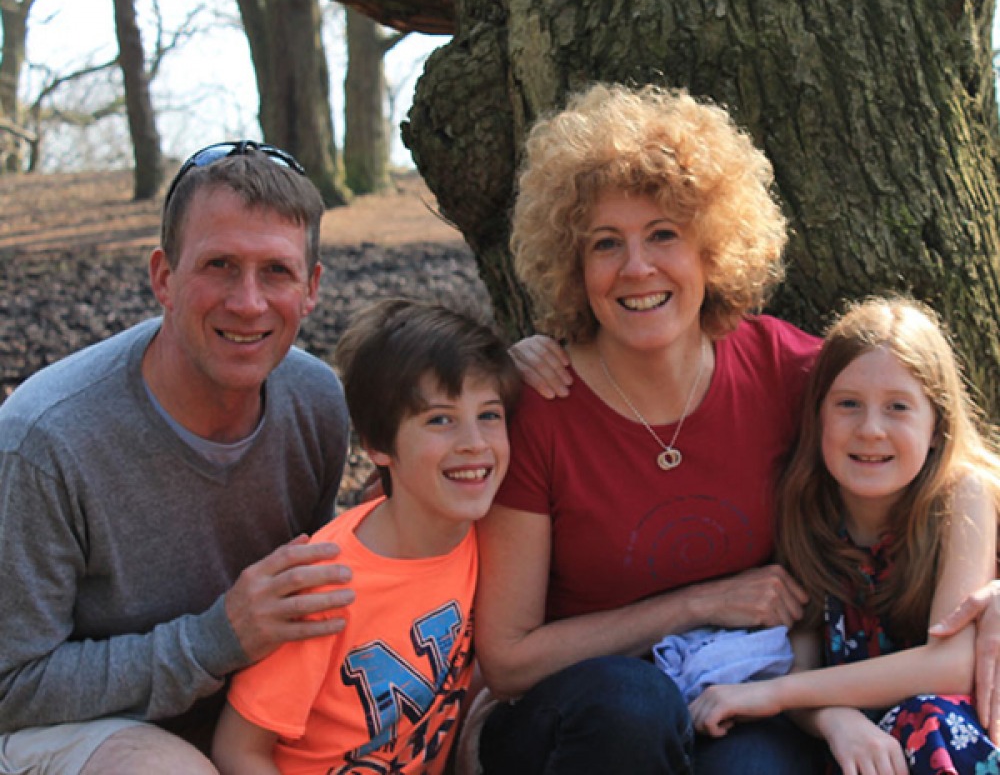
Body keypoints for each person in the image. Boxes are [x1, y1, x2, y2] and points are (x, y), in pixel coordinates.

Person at [473, 81, 826, 775]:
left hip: (734, 691)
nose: (637, 269)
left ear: (710, 249)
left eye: (663, 235)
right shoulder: (541, 404)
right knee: (630, 709)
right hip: (580, 717)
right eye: (607, 244)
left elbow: (939, 444)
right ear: (574, 266)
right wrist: (696, 604)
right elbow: (508, 659)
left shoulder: (779, 367)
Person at [0, 141, 354, 775]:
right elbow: (10, 684)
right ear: (163, 276)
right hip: (73, 729)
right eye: (219, 265)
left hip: (251, 710)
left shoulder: (317, 400)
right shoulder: (44, 440)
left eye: (275, 271)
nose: (247, 302)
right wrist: (214, 640)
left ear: (312, 288)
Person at [690, 296, 1000, 775]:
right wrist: (834, 719)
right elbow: (802, 659)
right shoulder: (808, 509)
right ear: (818, 417)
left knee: (930, 720)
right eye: (848, 404)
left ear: (937, 426)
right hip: (862, 743)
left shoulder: (962, 496)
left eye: (898, 407)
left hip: (962, 732)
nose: (870, 429)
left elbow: (951, 665)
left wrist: (771, 693)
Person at [211, 297, 521, 775]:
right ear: (378, 445)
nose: (473, 443)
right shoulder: (324, 583)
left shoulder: (490, 536)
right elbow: (239, 748)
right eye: (439, 419)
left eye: (489, 415)